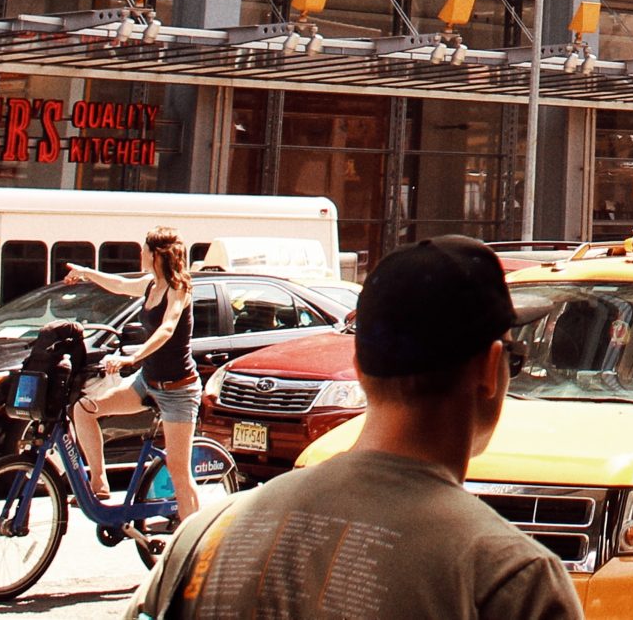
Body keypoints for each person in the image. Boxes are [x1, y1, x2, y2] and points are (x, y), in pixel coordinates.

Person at [129, 236, 578, 620]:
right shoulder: (511, 580)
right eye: (514, 361)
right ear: (489, 368)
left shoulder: (202, 537)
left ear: (360, 365)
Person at [66, 227, 204, 519]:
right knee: (84, 410)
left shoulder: (179, 288)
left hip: (179, 390)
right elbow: (117, 284)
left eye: (144, 251)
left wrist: (134, 356)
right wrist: (86, 272)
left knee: (179, 474)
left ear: (156, 255)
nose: (140, 255)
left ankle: (195, 537)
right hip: (148, 383)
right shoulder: (149, 285)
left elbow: (167, 328)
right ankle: (99, 483)